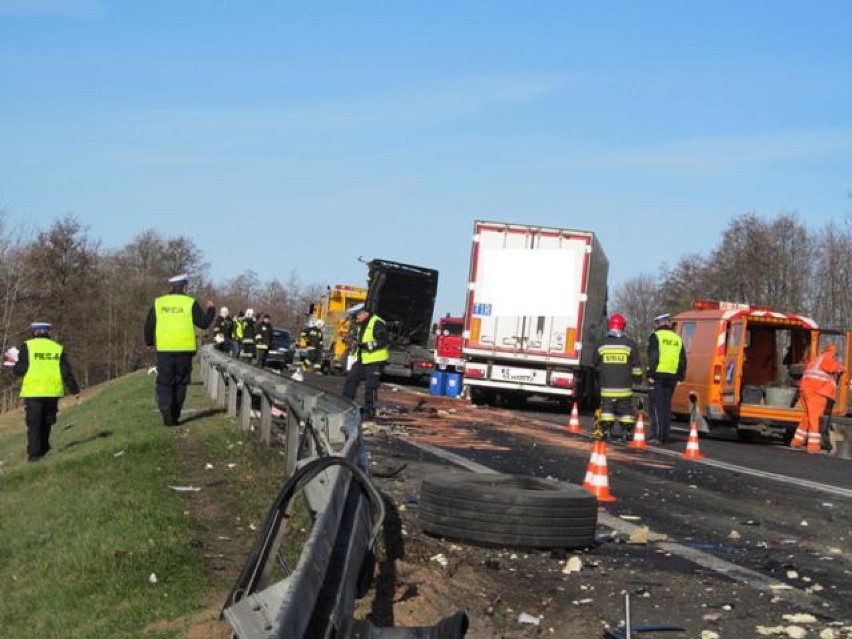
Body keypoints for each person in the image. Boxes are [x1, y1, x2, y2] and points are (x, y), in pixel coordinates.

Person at [144, 273, 215, 426]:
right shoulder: (190, 302)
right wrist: (211, 310)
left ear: (171, 287)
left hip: (165, 350)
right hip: (185, 350)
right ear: (185, 287)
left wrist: (149, 342)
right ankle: (175, 416)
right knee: (181, 383)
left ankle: (166, 409)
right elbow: (203, 323)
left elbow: (149, 324)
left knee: (164, 382)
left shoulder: (159, 303)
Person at [11, 322, 80, 461]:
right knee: (48, 420)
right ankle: (44, 447)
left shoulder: (28, 346)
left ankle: (35, 455)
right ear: (48, 333)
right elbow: (66, 371)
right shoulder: (57, 348)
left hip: (33, 391)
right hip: (52, 391)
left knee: (34, 422)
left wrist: (14, 366)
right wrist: (74, 389)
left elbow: (20, 370)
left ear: (34, 333)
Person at [594, 313, 643, 440]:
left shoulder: (602, 345)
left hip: (607, 387)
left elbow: (594, 362)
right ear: (623, 327)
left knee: (607, 409)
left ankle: (606, 430)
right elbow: (636, 367)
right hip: (624, 388)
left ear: (610, 326)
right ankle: (627, 432)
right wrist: (638, 379)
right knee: (626, 410)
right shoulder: (630, 345)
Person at [791, 343, 843, 453]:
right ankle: (813, 446)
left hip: (806, 390)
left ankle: (797, 441)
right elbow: (833, 367)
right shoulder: (828, 357)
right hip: (817, 392)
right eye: (836, 354)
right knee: (815, 418)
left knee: (808, 417)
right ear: (833, 352)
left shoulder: (816, 359)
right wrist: (841, 368)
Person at [342, 303, 389, 421]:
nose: (355, 318)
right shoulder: (360, 325)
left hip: (375, 360)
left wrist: (369, 345)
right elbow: (359, 338)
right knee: (351, 378)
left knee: (371, 386)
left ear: (363, 313)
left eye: (356, 315)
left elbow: (383, 340)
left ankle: (370, 411)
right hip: (363, 358)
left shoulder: (376, 322)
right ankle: (345, 405)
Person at [647, 313, 687, 444]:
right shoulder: (677, 338)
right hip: (672, 377)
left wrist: (650, 374)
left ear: (658, 323)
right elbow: (682, 360)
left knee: (656, 407)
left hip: (658, 376)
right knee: (666, 406)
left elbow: (653, 356)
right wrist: (680, 376)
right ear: (668, 322)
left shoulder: (656, 336)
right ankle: (664, 435)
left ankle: (657, 436)